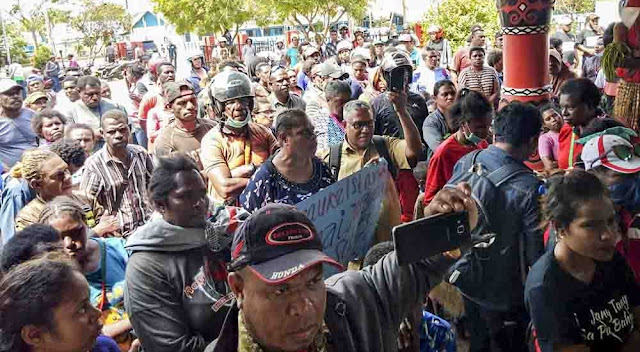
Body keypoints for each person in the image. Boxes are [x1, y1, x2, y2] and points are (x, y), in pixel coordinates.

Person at [204, 187, 473, 352]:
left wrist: (440, 224)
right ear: (238, 287)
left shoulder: (355, 303)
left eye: (313, 282)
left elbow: (419, 264)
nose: (303, 307)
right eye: (281, 289)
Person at [445, 101, 543, 351]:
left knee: (479, 340)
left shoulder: (467, 161)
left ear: (496, 132)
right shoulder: (528, 187)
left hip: (466, 276)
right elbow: (534, 256)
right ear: (532, 142)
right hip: (505, 294)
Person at [125, 154, 247, 351]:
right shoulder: (146, 267)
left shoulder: (217, 233)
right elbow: (173, 347)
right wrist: (246, 338)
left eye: (201, 194)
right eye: (185, 196)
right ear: (160, 205)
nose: (199, 203)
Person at [525, 170, 640, 351]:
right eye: (590, 225)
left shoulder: (610, 258)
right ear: (561, 228)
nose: (608, 235)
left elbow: (636, 315)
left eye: (611, 221)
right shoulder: (545, 286)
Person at [39, 196, 133, 345]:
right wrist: (136, 321)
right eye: (59, 237)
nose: (69, 243)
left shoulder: (119, 250)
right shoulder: (50, 280)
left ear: (86, 225)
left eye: (75, 232)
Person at [324, 98, 422, 237]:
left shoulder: (385, 146)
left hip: (387, 243)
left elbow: (414, 151)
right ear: (345, 125)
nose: (365, 130)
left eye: (369, 124)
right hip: (351, 249)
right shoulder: (331, 158)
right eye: (358, 125)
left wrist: (401, 111)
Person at [0, 256, 111, 352]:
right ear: (34, 335)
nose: (97, 313)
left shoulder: (104, 347)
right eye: (82, 309)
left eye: (89, 301)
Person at [201, 71, 278, 207]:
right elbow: (225, 188)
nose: (239, 107)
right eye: (230, 102)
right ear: (219, 108)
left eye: (243, 100)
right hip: (229, 214)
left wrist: (247, 172)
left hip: (264, 208)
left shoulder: (263, 132)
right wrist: (265, 175)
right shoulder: (212, 141)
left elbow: (283, 166)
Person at [240, 109, 334, 212]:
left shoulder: (322, 168)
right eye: (305, 132)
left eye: (312, 131)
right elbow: (249, 223)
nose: (313, 137)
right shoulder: (263, 180)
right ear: (284, 139)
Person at [80, 110, 154, 238]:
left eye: (122, 130)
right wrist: (101, 228)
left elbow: (155, 185)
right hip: (119, 237)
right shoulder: (94, 165)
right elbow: (85, 204)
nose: (118, 135)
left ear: (129, 129)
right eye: (111, 132)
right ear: (102, 134)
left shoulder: (140, 154)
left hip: (149, 228)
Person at [424, 89, 491, 205]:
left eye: (488, 126)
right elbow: (430, 201)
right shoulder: (443, 154)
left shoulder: (482, 144)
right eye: (480, 127)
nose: (486, 133)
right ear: (463, 123)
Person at [154, 81, 216, 164]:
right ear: (169, 107)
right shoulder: (165, 141)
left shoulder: (213, 128)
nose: (190, 106)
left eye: (193, 100)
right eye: (182, 103)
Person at [14, 149, 73, 231]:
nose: (68, 177)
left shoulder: (85, 199)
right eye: (59, 175)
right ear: (37, 184)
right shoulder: (28, 218)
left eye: (66, 170)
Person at [557, 78, 601, 169]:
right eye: (562, 107)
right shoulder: (567, 129)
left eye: (571, 108)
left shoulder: (606, 134)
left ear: (590, 106)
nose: (564, 113)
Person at [0, 79, 37, 168]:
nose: (15, 96)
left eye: (18, 93)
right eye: (9, 94)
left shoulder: (32, 115)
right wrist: (6, 171)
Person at [422, 80, 457, 162]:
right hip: (441, 164)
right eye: (445, 94)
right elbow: (440, 149)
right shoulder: (430, 122)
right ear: (435, 98)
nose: (450, 97)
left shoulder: (463, 116)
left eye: (453, 93)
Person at [314, 80, 351, 151]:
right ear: (328, 100)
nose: (345, 105)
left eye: (348, 101)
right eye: (340, 102)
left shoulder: (352, 118)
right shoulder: (321, 121)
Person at [538, 103, 563, 172]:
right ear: (544, 125)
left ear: (560, 115)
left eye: (555, 115)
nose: (553, 119)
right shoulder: (545, 138)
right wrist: (568, 160)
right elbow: (549, 165)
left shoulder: (572, 129)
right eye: (548, 119)